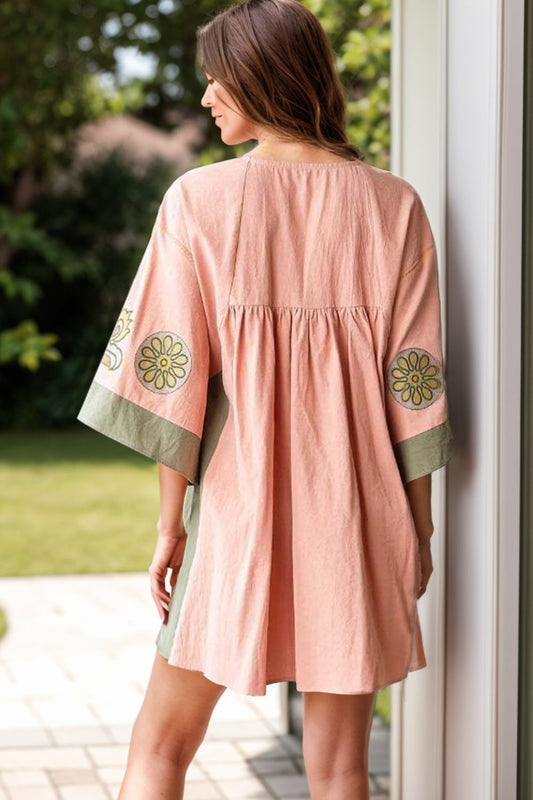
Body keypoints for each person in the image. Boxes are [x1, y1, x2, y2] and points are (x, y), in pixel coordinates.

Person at [77, 0, 453, 797]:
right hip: (358, 523)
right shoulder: (395, 206)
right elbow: (413, 384)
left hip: (233, 522)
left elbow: (172, 379)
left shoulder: (197, 202)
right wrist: (417, 528)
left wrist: (170, 525)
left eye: (217, 79)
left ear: (262, 76)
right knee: (341, 770)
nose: (206, 96)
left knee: (159, 747)